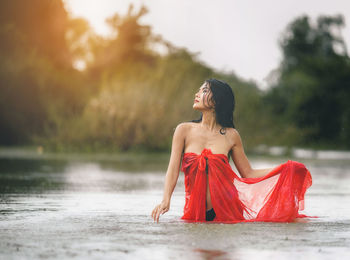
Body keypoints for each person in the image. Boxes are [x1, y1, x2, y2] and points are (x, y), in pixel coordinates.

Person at [151, 78, 314, 223]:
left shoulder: (231, 135)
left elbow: (248, 173)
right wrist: (166, 200)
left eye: (205, 90)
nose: (197, 93)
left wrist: (284, 168)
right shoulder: (183, 130)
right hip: (194, 211)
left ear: (217, 101)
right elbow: (172, 170)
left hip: (227, 210)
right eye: (199, 90)